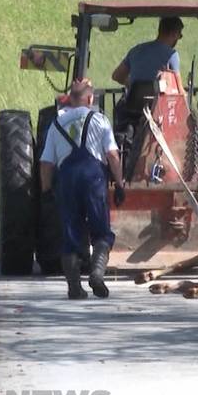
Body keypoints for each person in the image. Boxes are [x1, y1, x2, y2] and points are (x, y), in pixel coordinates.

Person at [40, 79, 126, 299]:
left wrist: (47, 190)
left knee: (70, 234)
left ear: (68, 99)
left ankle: (74, 288)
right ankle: (97, 274)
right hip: (93, 179)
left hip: (67, 181)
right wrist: (119, 183)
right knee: (101, 232)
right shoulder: (100, 120)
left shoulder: (56, 124)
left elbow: (46, 163)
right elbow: (112, 156)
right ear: (90, 99)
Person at [110, 16, 183, 87]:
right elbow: (180, 90)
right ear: (174, 34)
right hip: (158, 99)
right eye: (180, 35)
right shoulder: (172, 55)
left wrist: (133, 85)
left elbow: (117, 76)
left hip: (134, 99)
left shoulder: (135, 50)